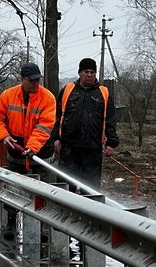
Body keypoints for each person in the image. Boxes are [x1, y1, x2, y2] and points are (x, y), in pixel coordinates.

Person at [0, 62, 56, 240]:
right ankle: (11, 222)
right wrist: (3, 135)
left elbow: (44, 127)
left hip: (41, 154)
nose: (36, 84)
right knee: (12, 189)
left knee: (45, 193)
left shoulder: (47, 98)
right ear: (23, 79)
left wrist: (32, 148)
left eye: (38, 80)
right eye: (32, 81)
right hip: (16, 151)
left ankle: (44, 228)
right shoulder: (8, 95)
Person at [52, 58, 119, 193]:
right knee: (65, 188)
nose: (89, 75)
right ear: (79, 73)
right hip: (69, 148)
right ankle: (65, 213)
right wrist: (56, 138)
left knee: (90, 190)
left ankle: (87, 213)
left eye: (92, 72)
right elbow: (58, 116)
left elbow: (110, 119)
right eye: (86, 71)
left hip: (92, 149)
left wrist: (111, 142)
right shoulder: (67, 90)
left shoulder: (103, 93)